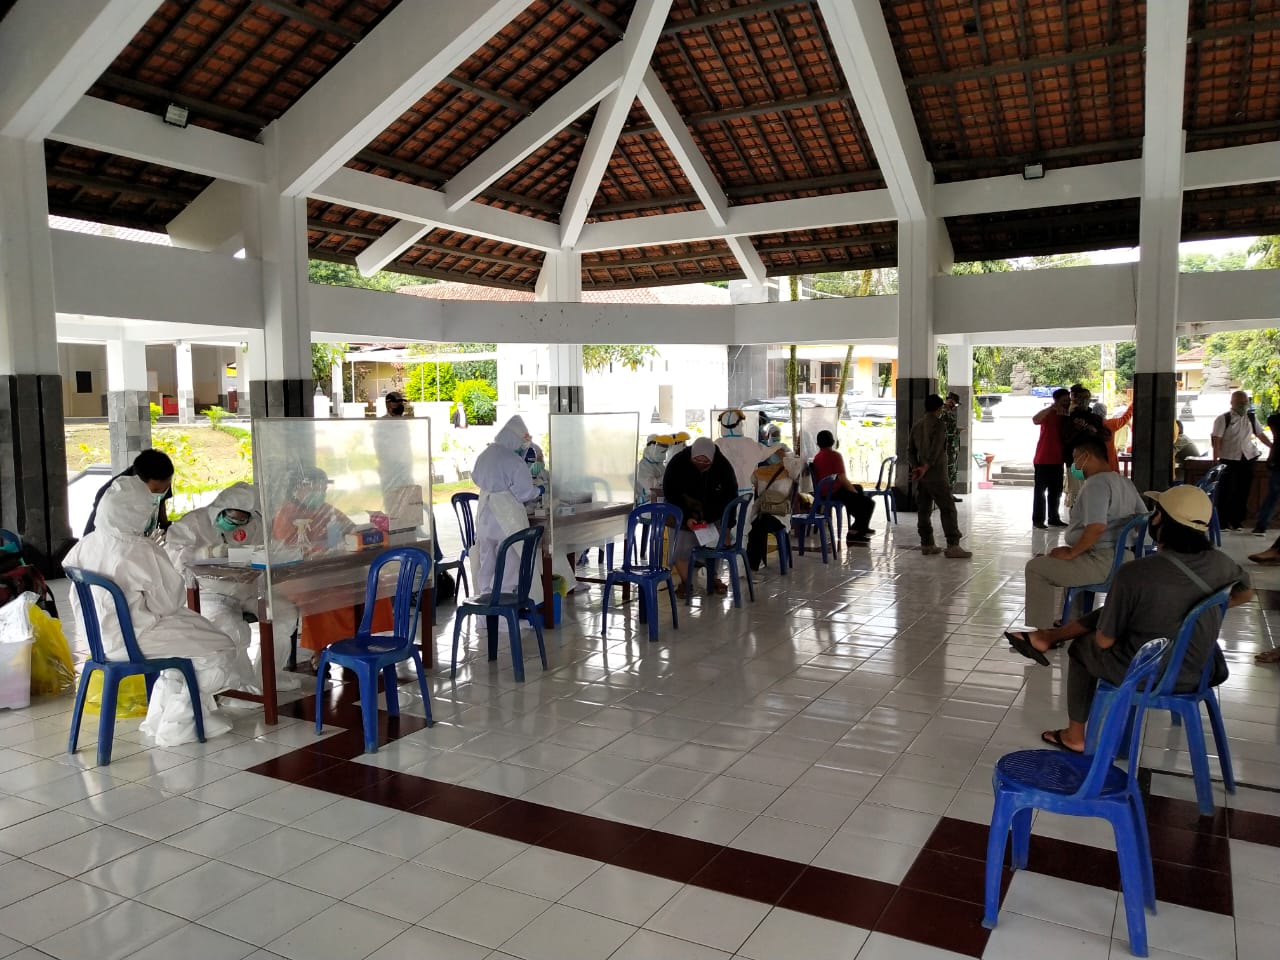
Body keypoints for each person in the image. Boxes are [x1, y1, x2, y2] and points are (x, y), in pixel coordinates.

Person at [1005, 485, 1251, 753]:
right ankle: (1047, 637)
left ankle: (1075, 735)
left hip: (1151, 673)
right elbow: (1245, 593)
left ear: (1161, 521)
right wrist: (1197, 609)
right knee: (1119, 612)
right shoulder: (1224, 565)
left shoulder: (1136, 573)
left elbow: (1104, 641)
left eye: (1156, 513)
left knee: (1083, 648)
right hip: (1201, 668)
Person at [63, 478, 238, 747]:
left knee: (192, 642)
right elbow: (169, 603)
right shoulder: (139, 549)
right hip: (135, 639)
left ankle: (162, 715)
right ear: (135, 513)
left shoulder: (86, 544)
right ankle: (179, 722)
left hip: (98, 642)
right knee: (220, 648)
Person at [165, 483, 299, 693]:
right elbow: (171, 556)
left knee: (284, 613)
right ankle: (236, 687)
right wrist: (204, 553)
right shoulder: (193, 524)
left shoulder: (253, 524)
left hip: (248, 588)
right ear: (220, 509)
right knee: (233, 630)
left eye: (241, 520)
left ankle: (269, 676)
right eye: (232, 518)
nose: (236, 524)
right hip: (208, 593)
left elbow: (267, 547)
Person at [1021, 435, 1147, 629]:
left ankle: (1043, 633)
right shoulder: (1124, 483)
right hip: (1125, 558)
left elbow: (1096, 527)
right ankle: (1071, 622)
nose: (1073, 464)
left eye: (1075, 458)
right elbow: (1143, 520)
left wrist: (1072, 551)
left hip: (1103, 561)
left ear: (1086, 456)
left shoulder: (1097, 484)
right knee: (1068, 560)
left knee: (1036, 568)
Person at [470, 415, 545, 602]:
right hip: (507, 517)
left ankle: (484, 613)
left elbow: (475, 477)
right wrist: (540, 489)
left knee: (487, 562)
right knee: (509, 562)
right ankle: (504, 618)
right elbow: (524, 493)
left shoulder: (485, 454)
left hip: (485, 513)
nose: (522, 448)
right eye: (521, 443)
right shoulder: (513, 460)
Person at [663, 437, 738, 596]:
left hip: (710, 515)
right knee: (680, 545)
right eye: (697, 461)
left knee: (714, 541)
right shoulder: (678, 463)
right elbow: (671, 494)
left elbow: (730, 497)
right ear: (691, 456)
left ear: (712, 460)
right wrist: (686, 518)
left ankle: (713, 577)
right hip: (684, 511)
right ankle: (686, 582)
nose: (701, 466)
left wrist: (725, 524)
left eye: (706, 463)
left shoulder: (723, 467)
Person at [908, 395, 971, 559]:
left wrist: (916, 468)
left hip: (922, 476)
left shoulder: (917, 425)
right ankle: (953, 546)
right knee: (948, 508)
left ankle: (927, 544)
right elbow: (936, 449)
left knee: (924, 509)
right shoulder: (938, 424)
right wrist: (926, 467)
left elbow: (910, 450)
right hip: (935, 474)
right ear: (939, 408)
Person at [1211, 390, 1271, 532]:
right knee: (1226, 490)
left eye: (1245, 402)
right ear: (1232, 402)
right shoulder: (1223, 419)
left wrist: (1273, 447)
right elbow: (1217, 439)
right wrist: (1216, 460)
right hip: (1228, 458)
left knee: (1243, 491)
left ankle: (1237, 521)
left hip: (1247, 458)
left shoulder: (1250, 418)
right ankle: (1223, 521)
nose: (1243, 405)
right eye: (1240, 402)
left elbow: (1260, 434)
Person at [84, 449, 175, 536]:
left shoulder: (161, 477)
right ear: (138, 482)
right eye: (154, 491)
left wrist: (165, 526)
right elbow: (93, 534)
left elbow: (161, 501)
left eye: (165, 488)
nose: (160, 493)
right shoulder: (112, 496)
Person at [810, 429, 876, 545]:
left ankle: (861, 525)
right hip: (834, 491)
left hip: (824, 491)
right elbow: (842, 479)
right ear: (833, 441)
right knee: (869, 503)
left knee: (859, 488)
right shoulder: (835, 455)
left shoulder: (817, 457)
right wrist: (854, 493)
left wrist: (856, 491)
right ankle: (854, 532)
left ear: (818, 443)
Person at [746, 440, 802, 571]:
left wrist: (785, 456)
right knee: (752, 526)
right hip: (762, 512)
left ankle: (752, 564)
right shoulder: (760, 472)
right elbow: (749, 481)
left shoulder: (789, 472)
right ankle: (753, 562)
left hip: (779, 514)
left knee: (757, 527)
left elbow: (797, 467)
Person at [1060, 386, 1109, 510]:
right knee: (1077, 492)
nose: (1084, 401)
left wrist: (1095, 431)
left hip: (1095, 462)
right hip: (1076, 463)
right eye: (1081, 398)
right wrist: (1076, 429)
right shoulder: (1069, 418)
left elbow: (1106, 436)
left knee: (1094, 490)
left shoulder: (1095, 418)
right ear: (1075, 400)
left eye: (1087, 398)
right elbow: (1065, 439)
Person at [1031, 388, 1070, 529]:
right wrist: (1051, 408)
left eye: (1068, 400)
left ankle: (1054, 517)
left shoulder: (1067, 415)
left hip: (1058, 460)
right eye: (1064, 400)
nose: (1067, 402)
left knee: (1056, 491)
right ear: (1057, 400)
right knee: (1040, 491)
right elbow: (1035, 420)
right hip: (1043, 459)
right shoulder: (1049, 414)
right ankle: (1038, 520)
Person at [714, 409, 769, 495]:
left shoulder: (717, 444)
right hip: (745, 492)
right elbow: (765, 453)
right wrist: (778, 446)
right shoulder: (749, 443)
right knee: (744, 508)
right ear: (740, 424)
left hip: (723, 492)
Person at [1250, 412, 1280, 536]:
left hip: (1277, 462)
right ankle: (1261, 525)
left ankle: (1261, 526)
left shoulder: (1274, 420)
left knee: (1272, 497)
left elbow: (1275, 443)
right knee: (1272, 496)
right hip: (1277, 462)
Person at [635, 434, 671, 505]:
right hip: (646, 504)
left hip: (659, 502)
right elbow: (650, 488)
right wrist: (664, 478)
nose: (664, 455)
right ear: (651, 447)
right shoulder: (643, 466)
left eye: (665, 452)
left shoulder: (660, 465)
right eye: (662, 452)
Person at [941, 392, 964, 501]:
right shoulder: (943, 412)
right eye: (954, 404)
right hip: (948, 446)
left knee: (953, 470)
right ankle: (947, 494)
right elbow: (944, 430)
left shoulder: (949, 412)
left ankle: (950, 493)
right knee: (949, 470)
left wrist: (956, 431)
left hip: (952, 445)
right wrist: (955, 431)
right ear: (950, 401)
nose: (954, 406)